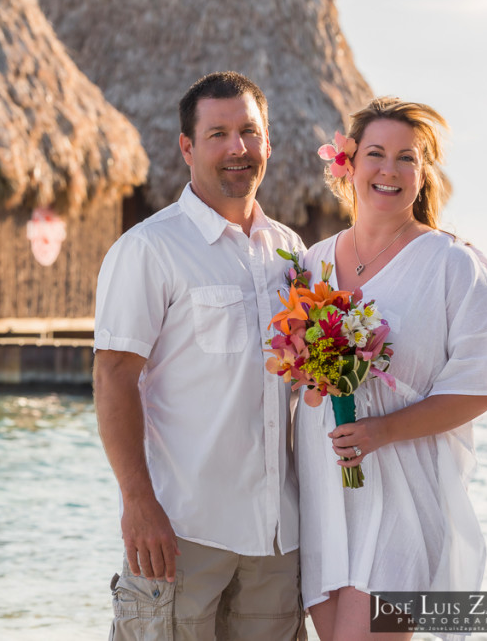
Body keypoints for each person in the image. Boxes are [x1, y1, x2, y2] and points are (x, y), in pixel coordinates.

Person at [297, 97, 487, 641]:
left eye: (407, 157)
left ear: (423, 172)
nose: (389, 169)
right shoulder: (312, 262)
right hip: (323, 493)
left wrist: (382, 431)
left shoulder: (453, 264)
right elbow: (303, 383)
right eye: (376, 153)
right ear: (349, 163)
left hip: (404, 496)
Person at [93, 71, 305, 640]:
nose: (237, 149)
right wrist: (137, 502)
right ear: (187, 147)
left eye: (249, 132)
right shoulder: (148, 249)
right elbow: (113, 376)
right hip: (181, 531)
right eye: (218, 134)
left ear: (268, 141)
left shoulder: (291, 252)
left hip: (278, 540)